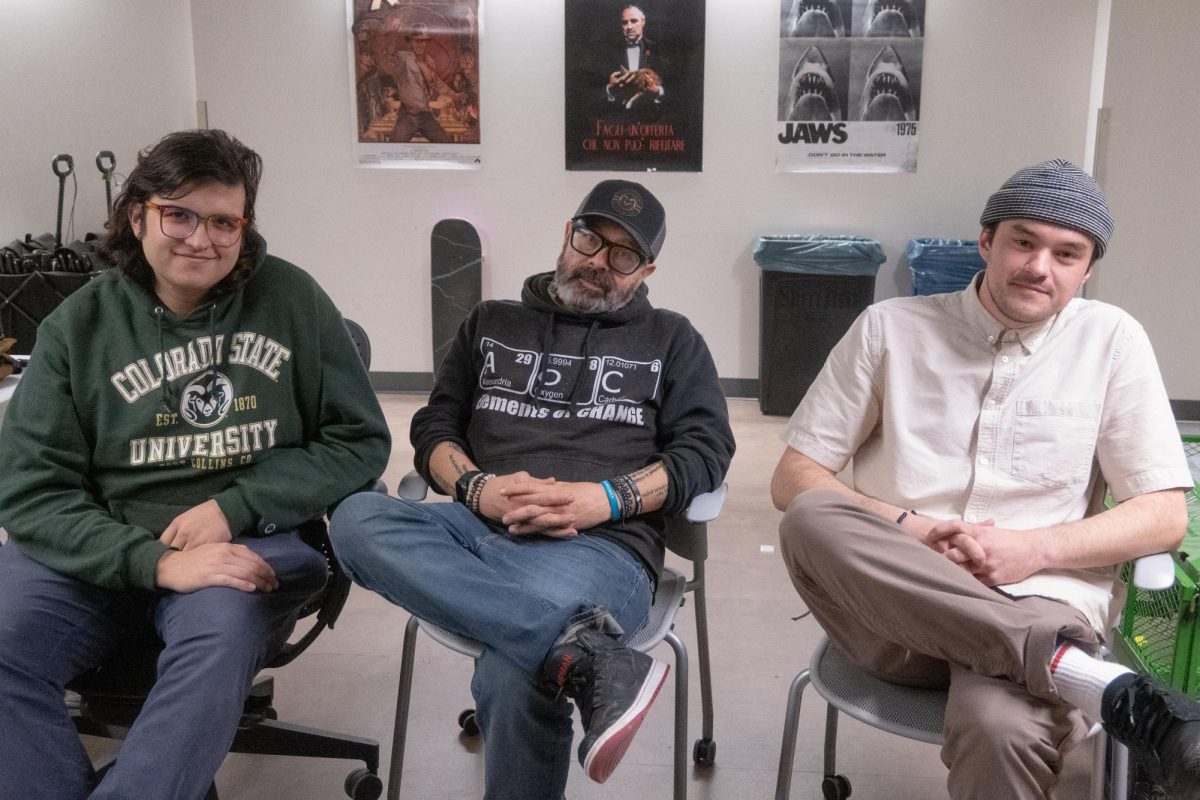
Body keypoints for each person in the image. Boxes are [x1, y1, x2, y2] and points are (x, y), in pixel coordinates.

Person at [771, 159, 1200, 799]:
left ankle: (1051, 660)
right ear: (987, 243)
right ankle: (1085, 676)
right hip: (894, 607)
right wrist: (912, 531)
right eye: (1023, 241)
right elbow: (793, 478)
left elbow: (1165, 515)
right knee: (810, 517)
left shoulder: (1112, 341)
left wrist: (1032, 549)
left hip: (1039, 594)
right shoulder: (890, 327)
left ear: (1087, 269)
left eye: (1066, 253)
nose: (1039, 267)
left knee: (999, 727)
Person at [0, 129, 391, 800]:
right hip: (99, 545)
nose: (199, 239)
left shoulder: (292, 300)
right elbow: (31, 490)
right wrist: (151, 560)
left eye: (222, 222)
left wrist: (236, 506)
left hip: (246, 540)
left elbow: (359, 441)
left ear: (244, 227)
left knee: (217, 637)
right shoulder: (78, 326)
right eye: (178, 214)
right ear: (138, 214)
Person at [330, 179, 734, 798]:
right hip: (474, 529)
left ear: (646, 269)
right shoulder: (491, 322)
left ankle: (555, 649)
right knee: (356, 517)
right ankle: (582, 653)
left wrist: (606, 498)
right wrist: (475, 488)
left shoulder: (674, 340)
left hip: (599, 548)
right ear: (567, 233)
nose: (598, 262)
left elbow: (706, 453)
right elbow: (434, 426)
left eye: (623, 255)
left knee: (513, 674)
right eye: (589, 239)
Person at [380, 22, 455, 143]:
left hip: (426, 116)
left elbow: (437, 83)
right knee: (393, 148)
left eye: (423, 41)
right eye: (416, 41)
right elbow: (389, 55)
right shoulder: (404, 58)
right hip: (408, 116)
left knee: (446, 143)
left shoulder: (429, 62)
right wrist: (395, 33)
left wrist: (456, 95)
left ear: (426, 42)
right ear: (410, 42)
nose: (420, 44)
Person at [604, 5, 667, 112]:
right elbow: (591, 88)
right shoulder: (608, 50)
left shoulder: (658, 49)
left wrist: (658, 91)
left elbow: (678, 87)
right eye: (624, 22)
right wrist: (609, 88)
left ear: (643, 22)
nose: (629, 27)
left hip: (653, 118)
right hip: (617, 117)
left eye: (634, 21)